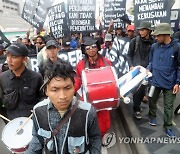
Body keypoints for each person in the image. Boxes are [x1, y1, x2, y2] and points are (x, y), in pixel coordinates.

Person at [26, 61, 101, 154]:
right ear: (46, 91)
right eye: (55, 90)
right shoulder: (38, 111)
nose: (62, 96)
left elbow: (95, 138)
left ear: (74, 87)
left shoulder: (88, 112)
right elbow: (37, 138)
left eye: (67, 88)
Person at [75, 37, 112, 142]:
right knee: (84, 119)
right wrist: (70, 89)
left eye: (94, 47)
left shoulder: (107, 62)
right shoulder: (80, 65)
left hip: (103, 97)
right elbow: (77, 80)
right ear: (85, 51)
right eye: (88, 48)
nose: (91, 49)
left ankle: (101, 136)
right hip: (87, 97)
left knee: (104, 121)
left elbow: (112, 79)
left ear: (98, 48)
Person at [147, 23, 180, 137]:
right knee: (151, 99)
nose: (155, 38)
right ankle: (152, 116)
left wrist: (178, 82)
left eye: (157, 36)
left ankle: (168, 127)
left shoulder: (177, 47)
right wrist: (148, 69)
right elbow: (151, 61)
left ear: (165, 35)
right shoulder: (154, 47)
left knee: (168, 106)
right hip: (155, 81)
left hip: (170, 83)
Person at [0, 42, 43, 120]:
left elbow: (43, 98)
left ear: (24, 59)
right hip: (11, 124)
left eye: (14, 56)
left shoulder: (37, 77)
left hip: (32, 123)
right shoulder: (2, 78)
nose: (9, 60)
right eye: (7, 55)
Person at [126, 21, 155, 119]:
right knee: (137, 90)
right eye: (140, 30)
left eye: (143, 30)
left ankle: (140, 103)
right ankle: (136, 109)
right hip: (137, 70)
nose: (141, 32)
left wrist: (150, 68)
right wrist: (131, 66)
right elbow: (129, 55)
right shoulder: (135, 41)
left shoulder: (154, 42)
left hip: (148, 71)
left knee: (144, 90)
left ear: (149, 31)